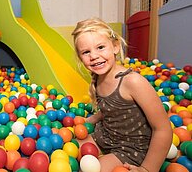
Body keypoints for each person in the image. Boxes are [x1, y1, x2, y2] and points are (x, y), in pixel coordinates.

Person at [72, 18, 172, 172]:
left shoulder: (132, 82)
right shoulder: (98, 78)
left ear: (115, 46)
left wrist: (147, 168)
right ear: (80, 58)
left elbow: (162, 129)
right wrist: (93, 118)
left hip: (131, 148)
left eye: (100, 47)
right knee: (67, 148)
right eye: (86, 52)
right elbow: (112, 108)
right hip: (105, 136)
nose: (94, 56)